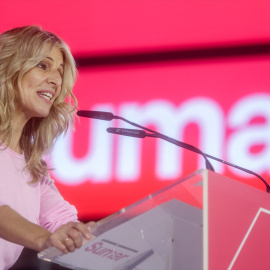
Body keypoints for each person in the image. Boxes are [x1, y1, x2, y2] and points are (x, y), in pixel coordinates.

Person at [0, 25, 95, 269]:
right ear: (8, 68)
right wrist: (44, 238)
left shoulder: (32, 168)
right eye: (43, 66)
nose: (55, 80)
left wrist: (86, 236)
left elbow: (63, 222)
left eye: (60, 72)